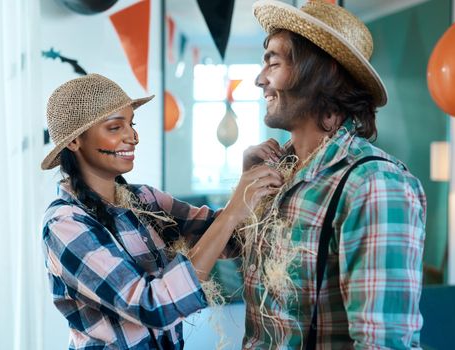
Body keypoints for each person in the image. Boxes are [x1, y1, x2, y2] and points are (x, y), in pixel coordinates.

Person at [40, 73, 283, 349]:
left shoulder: (145, 199)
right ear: (74, 142)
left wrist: (246, 180)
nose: (133, 137)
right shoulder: (65, 224)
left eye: (131, 124)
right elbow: (154, 306)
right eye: (114, 128)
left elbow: (230, 240)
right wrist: (232, 211)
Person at [239, 0, 427, 349]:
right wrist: (244, 194)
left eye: (274, 63)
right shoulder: (279, 173)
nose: (259, 79)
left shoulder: (373, 184)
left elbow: (380, 343)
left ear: (320, 74)